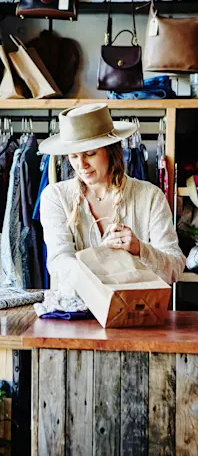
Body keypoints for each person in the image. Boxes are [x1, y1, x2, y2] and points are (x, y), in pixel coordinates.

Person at [38, 103, 185, 312]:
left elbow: (175, 268)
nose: (81, 165)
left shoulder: (150, 196)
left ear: (111, 151)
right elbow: (59, 261)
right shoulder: (56, 197)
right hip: (77, 316)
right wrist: (100, 270)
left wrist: (139, 249)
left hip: (138, 317)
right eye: (73, 156)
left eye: (89, 154)